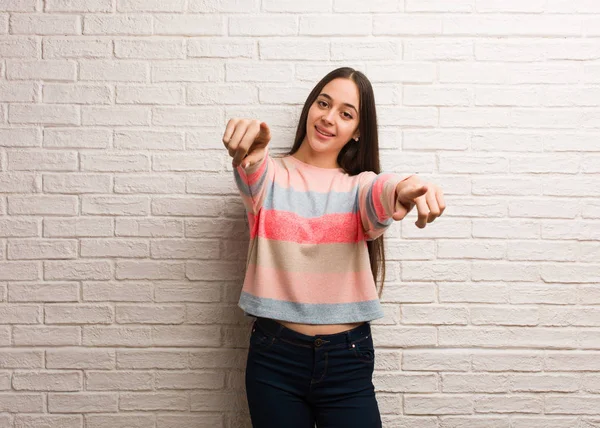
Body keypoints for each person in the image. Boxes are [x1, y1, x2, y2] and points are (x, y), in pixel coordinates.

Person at [223, 67, 445, 427]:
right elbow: (251, 168)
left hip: (348, 360)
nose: (328, 118)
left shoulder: (360, 187)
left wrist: (409, 185)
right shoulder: (271, 175)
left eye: (346, 113)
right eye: (323, 103)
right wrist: (251, 150)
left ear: (358, 131)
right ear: (310, 107)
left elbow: (384, 190)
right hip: (274, 358)